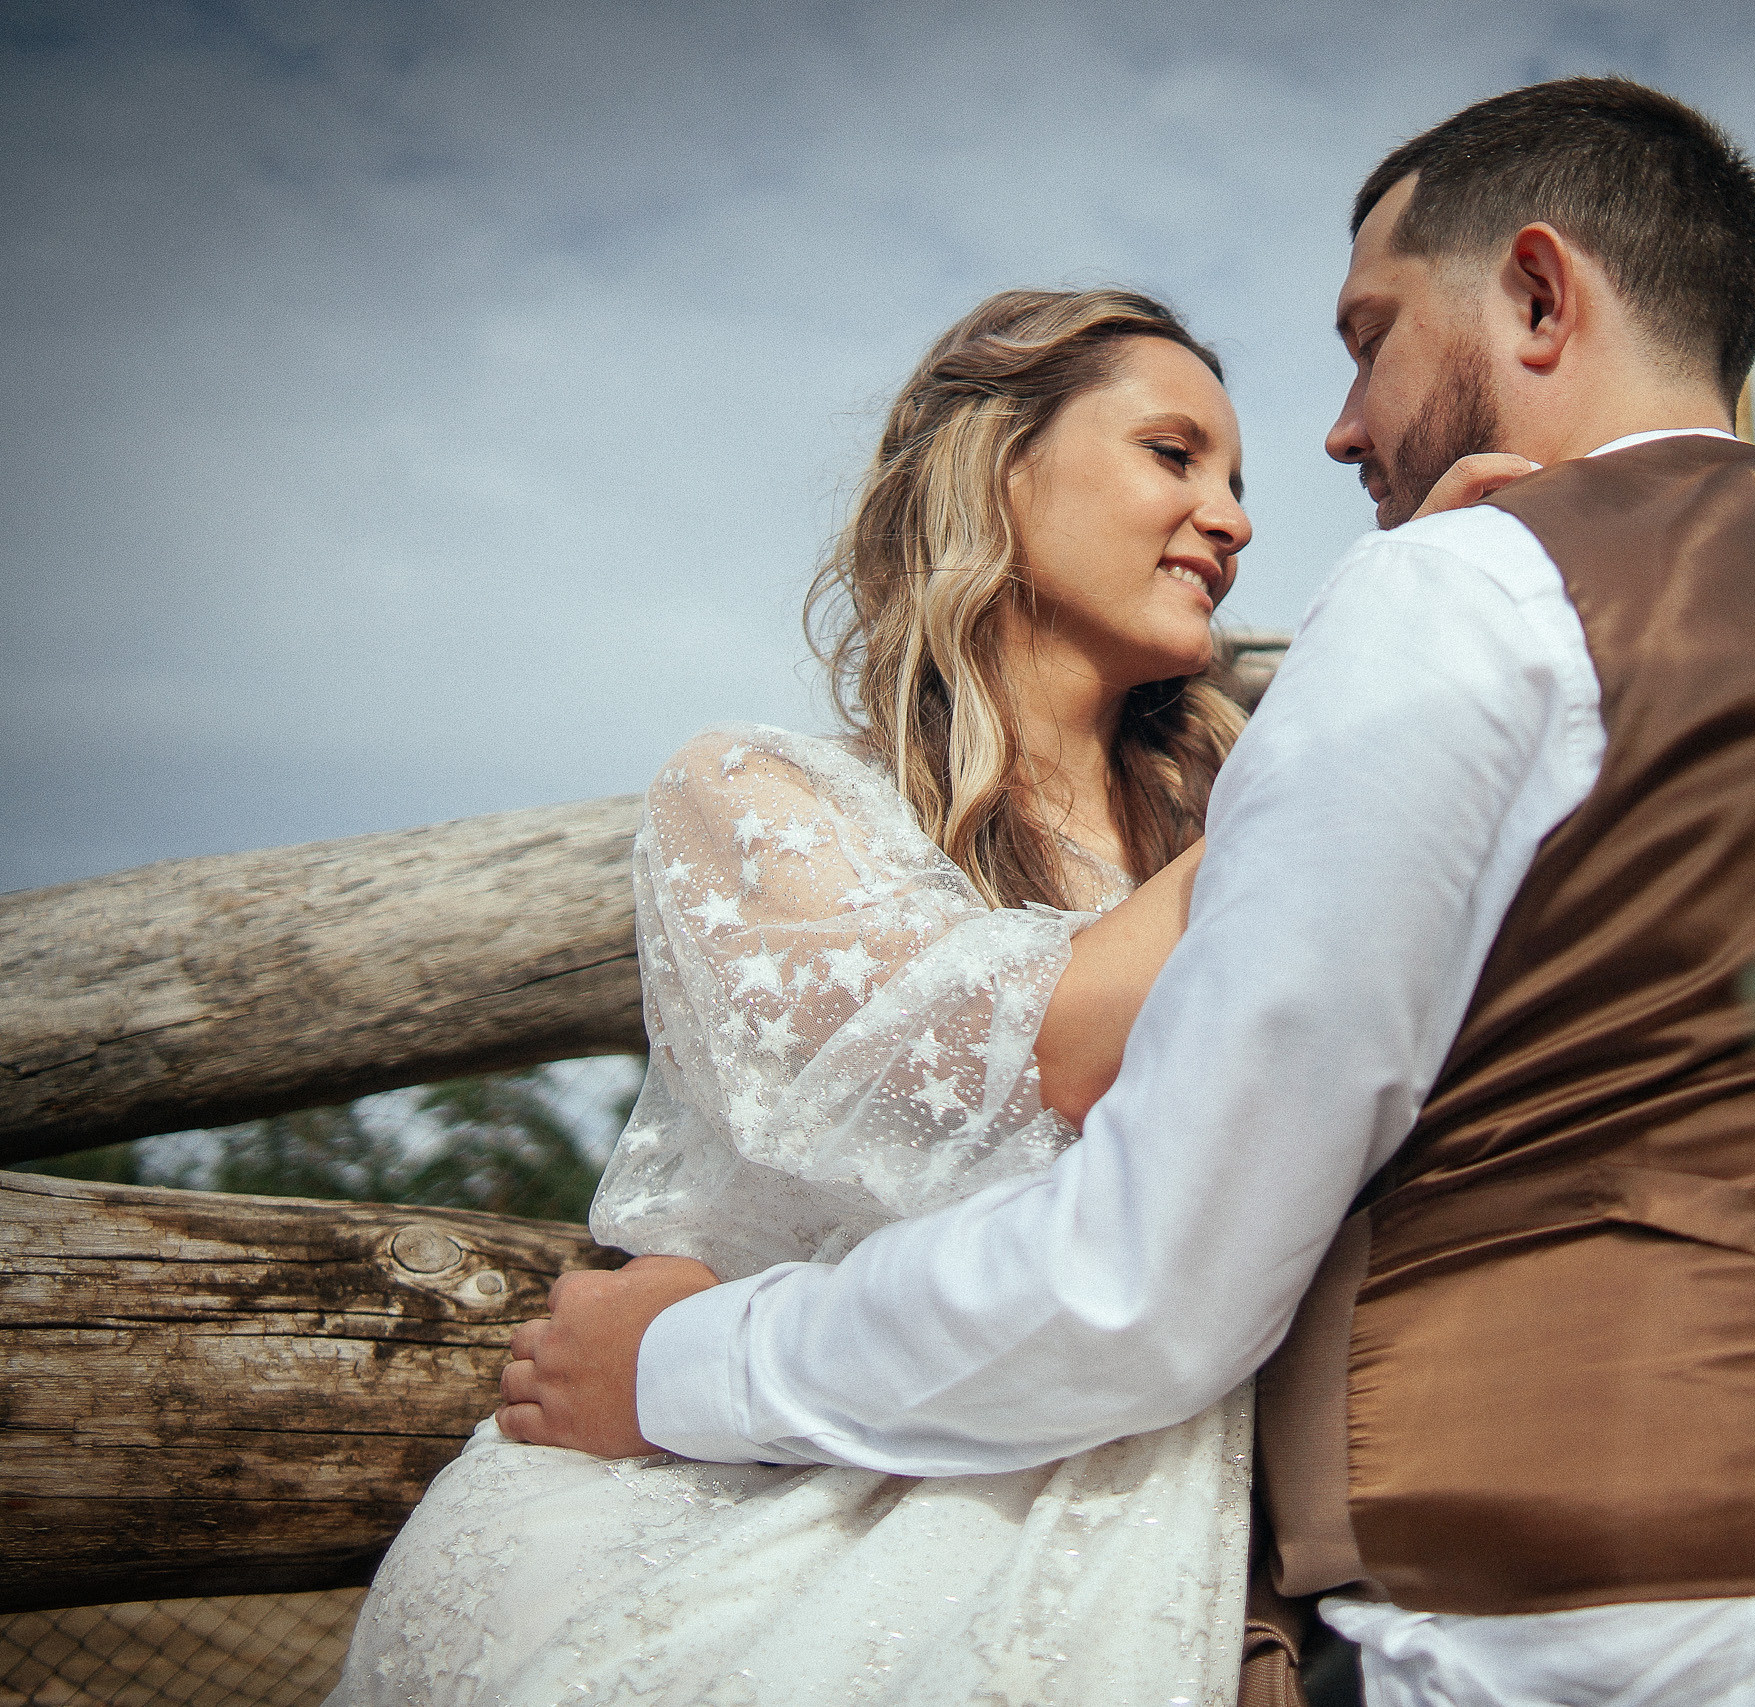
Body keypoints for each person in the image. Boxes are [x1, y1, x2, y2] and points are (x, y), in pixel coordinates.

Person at [506, 78, 1755, 1707]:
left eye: (1369, 336)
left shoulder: (1439, 621)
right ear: (994, 472)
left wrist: (683, 1362)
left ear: (1534, 293)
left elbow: (1145, 1264)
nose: (1315, 450)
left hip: (1495, 1619)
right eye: (1172, 453)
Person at [328, 287, 1261, 1707]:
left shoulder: (1227, 827)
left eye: (1240, 481)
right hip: (705, 1513)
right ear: (1000, 469)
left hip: (1121, 1470)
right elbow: (1026, 1069)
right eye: (1176, 455)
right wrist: (1326, 766)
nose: (1234, 519)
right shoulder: (753, 800)